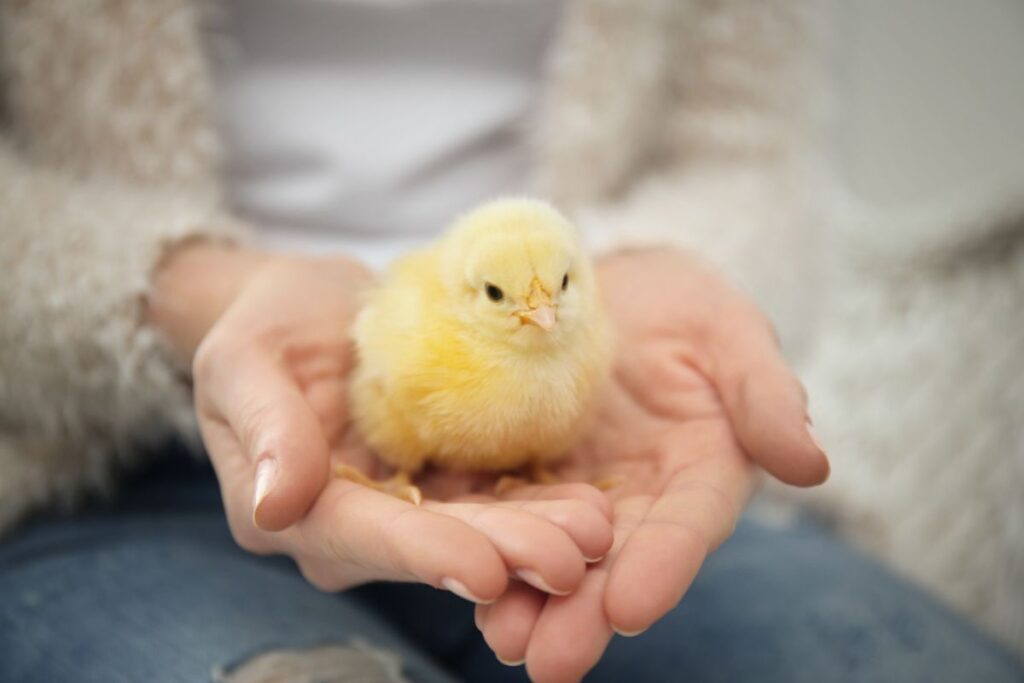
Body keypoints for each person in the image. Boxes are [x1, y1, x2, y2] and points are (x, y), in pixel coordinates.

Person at [1, 1, 1021, 682]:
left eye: (557, 295)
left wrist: (656, 271)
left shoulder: (576, 334)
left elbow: (753, 161)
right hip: (100, 467)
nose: (540, 312)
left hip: (595, 480)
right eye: (514, 299)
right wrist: (187, 293)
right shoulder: (412, 337)